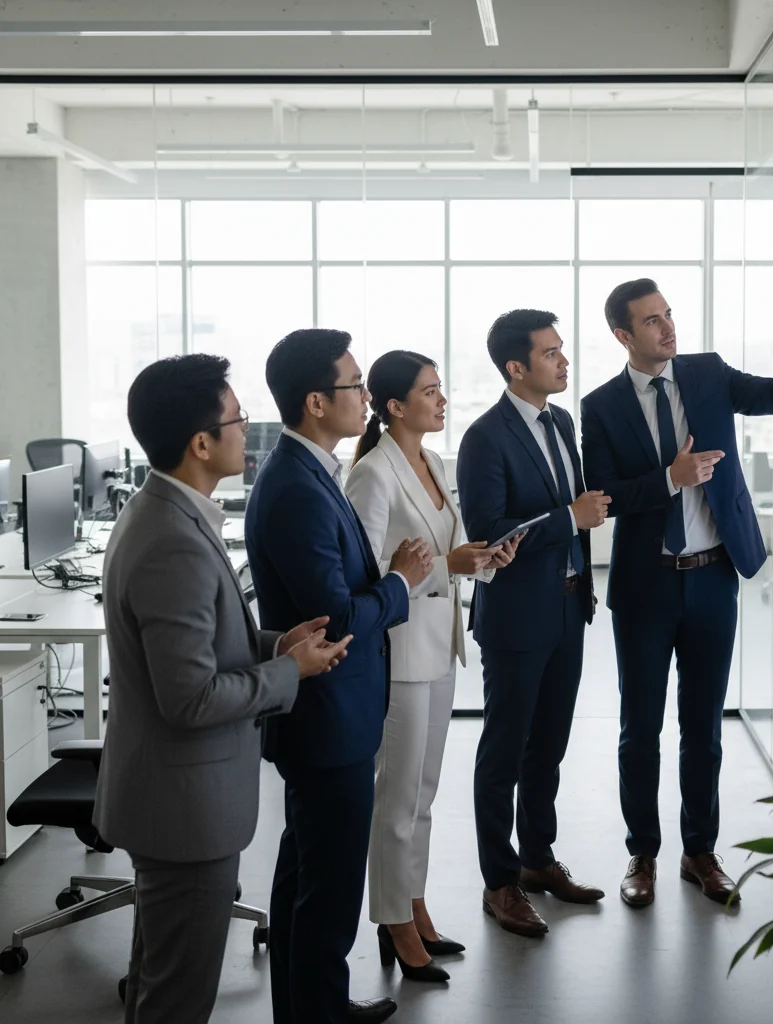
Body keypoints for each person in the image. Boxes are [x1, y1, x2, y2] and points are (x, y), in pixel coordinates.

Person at [93, 354, 349, 1024]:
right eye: (237, 419)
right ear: (201, 444)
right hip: (186, 812)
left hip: (173, 799)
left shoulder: (167, 512)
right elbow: (191, 699)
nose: (247, 430)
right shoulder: (172, 541)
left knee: (158, 984)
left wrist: (277, 645)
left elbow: (203, 644)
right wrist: (292, 672)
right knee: (178, 998)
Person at [579, 279, 773, 909]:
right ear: (623, 335)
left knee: (704, 726)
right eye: (651, 321)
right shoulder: (600, 406)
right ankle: (643, 852)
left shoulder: (708, 373)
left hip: (715, 576)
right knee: (640, 729)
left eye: (668, 314)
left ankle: (700, 851)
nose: (668, 327)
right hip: (646, 586)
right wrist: (670, 478)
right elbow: (602, 497)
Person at [244, 329, 434, 1024]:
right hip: (327, 717)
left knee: (306, 875)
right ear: (317, 402)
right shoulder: (297, 486)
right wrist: (401, 582)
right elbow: (338, 618)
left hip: (330, 715)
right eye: (354, 386)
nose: (366, 398)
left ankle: (310, 1006)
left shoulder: (311, 470)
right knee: (326, 891)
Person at [346, 350, 521, 981]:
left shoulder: (433, 462)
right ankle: (393, 920)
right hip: (397, 652)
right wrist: (446, 567)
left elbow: (448, 550)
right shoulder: (373, 474)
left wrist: (483, 559)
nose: (442, 400)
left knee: (422, 793)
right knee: (396, 796)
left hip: (439, 645)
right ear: (395, 406)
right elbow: (365, 574)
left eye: (440, 388)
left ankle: (413, 904)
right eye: (429, 391)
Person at [456, 309, 610, 938]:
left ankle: (538, 859)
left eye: (562, 350)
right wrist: (569, 518)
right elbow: (487, 532)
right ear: (516, 367)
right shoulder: (484, 438)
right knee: (504, 752)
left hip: (569, 607)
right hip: (517, 618)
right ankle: (500, 882)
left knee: (548, 746)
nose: (564, 361)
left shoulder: (561, 421)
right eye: (551, 353)